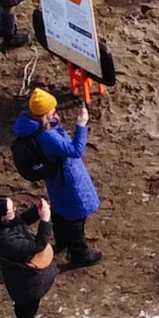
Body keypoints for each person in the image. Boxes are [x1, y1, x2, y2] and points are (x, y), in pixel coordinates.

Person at [12, 88, 103, 266]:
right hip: (67, 180)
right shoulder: (48, 136)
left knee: (61, 211)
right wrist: (81, 126)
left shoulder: (30, 127)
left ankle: (61, 243)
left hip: (55, 180)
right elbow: (75, 150)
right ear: (45, 113)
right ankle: (78, 253)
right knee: (76, 215)